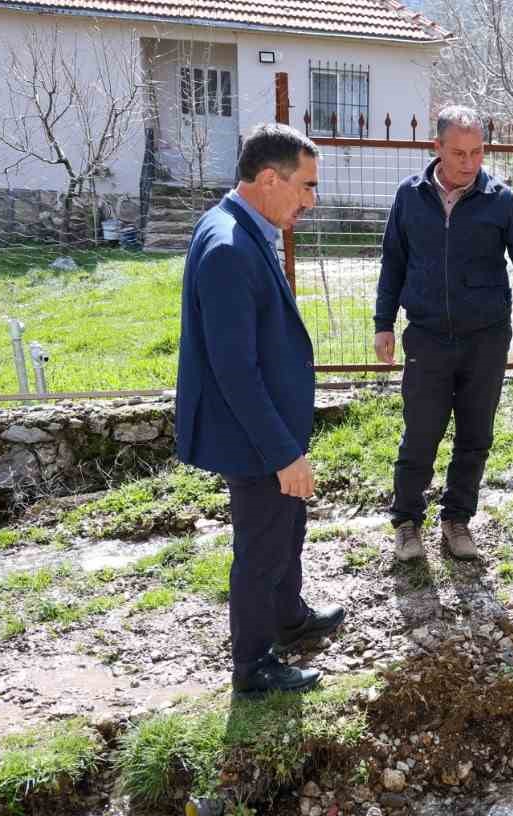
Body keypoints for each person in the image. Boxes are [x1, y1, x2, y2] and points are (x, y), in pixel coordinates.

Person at [373, 104, 513, 563]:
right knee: (421, 433)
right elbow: (393, 261)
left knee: (475, 435)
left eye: (477, 152)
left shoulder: (499, 200)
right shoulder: (410, 196)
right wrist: (384, 323)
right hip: (428, 337)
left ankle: (457, 520)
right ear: (436, 148)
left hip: (485, 339)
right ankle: (407, 523)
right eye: (459, 153)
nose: (469, 163)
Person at [175, 123, 345, 696]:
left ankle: (288, 617)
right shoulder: (227, 246)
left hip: (273, 428)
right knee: (261, 548)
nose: (311, 200)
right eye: (305, 186)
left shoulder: (246, 227)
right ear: (269, 179)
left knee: (287, 527)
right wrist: (282, 453)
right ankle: (253, 666)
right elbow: (235, 371)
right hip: (254, 437)